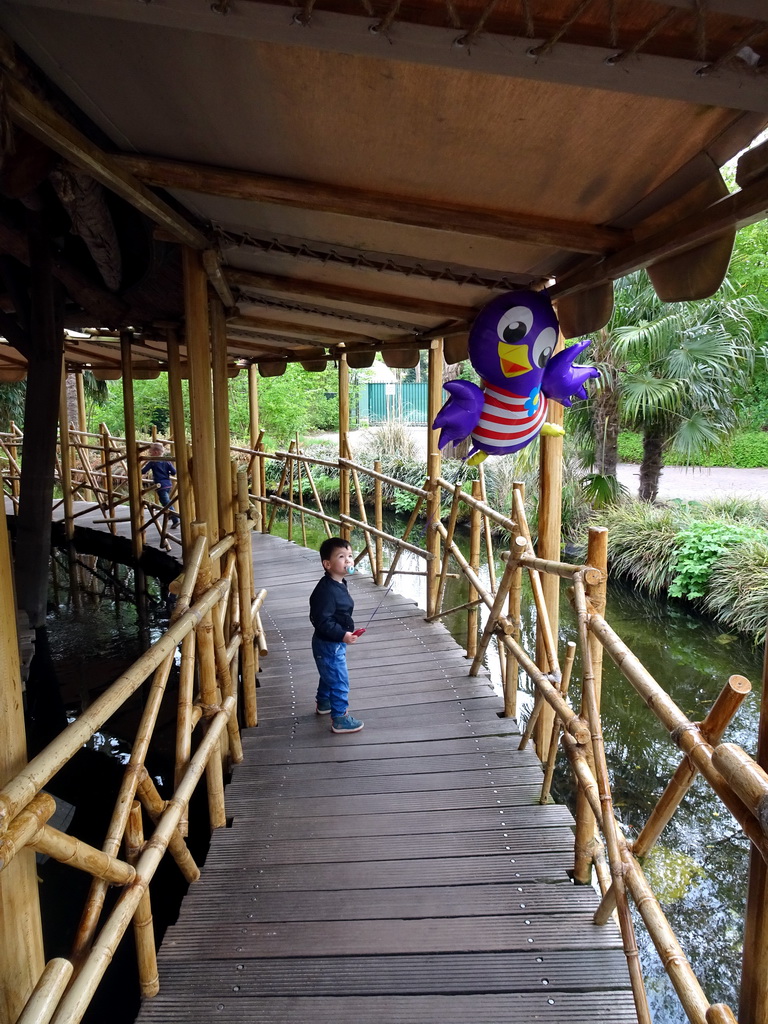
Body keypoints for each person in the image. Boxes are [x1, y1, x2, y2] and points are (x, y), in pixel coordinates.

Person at [309, 537, 364, 734]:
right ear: (328, 564)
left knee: (329, 674)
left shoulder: (339, 582)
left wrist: (343, 635)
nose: (348, 560)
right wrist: (342, 635)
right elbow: (322, 621)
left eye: (350, 555)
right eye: (342, 557)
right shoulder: (325, 591)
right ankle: (340, 718)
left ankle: (324, 703)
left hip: (333, 643)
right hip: (329, 643)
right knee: (339, 680)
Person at [143, 442, 180, 529]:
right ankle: (170, 515)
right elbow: (174, 472)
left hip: (160, 485)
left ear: (155, 452)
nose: (149, 454)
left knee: (166, 503)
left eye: (150, 452)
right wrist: (167, 473)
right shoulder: (166, 461)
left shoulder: (152, 462)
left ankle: (175, 519)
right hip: (168, 484)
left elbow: (143, 471)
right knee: (164, 501)